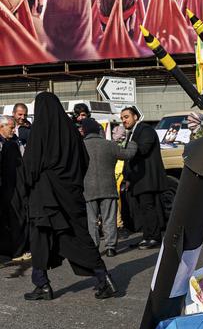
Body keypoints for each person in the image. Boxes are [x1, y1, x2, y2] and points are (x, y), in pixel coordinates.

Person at [22, 92, 117, 300]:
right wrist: (71, 183)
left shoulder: (40, 131)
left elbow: (30, 166)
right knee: (77, 237)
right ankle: (102, 276)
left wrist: (25, 189)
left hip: (45, 196)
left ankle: (42, 284)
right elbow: (84, 161)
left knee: (40, 238)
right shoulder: (72, 132)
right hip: (70, 195)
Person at [81, 118, 136, 257]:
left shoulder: (80, 146)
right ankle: (111, 247)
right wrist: (133, 143)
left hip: (88, 189)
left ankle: (94, 248)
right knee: (109, 219)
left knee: (91, 221)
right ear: (98, 130)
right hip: (108, 187)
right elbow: (127, 154)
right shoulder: (109, 144)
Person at [120, 106, 168, 249]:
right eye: (122, 118)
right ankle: (147, 236)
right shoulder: (132, 133)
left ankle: (154, 237)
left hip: (147, 177)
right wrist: (127, 177)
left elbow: (143, 149)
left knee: (148, 207)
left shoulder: (145, 130)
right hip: (137, 179)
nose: (124, 120)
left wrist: (125, 146)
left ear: (135, 117)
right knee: (143, 208)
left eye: (126, 117)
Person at [0, 116, 29, 260]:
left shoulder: (12, 141)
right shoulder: (8, 144)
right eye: (10, 128)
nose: (13, 130)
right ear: (1, 127)